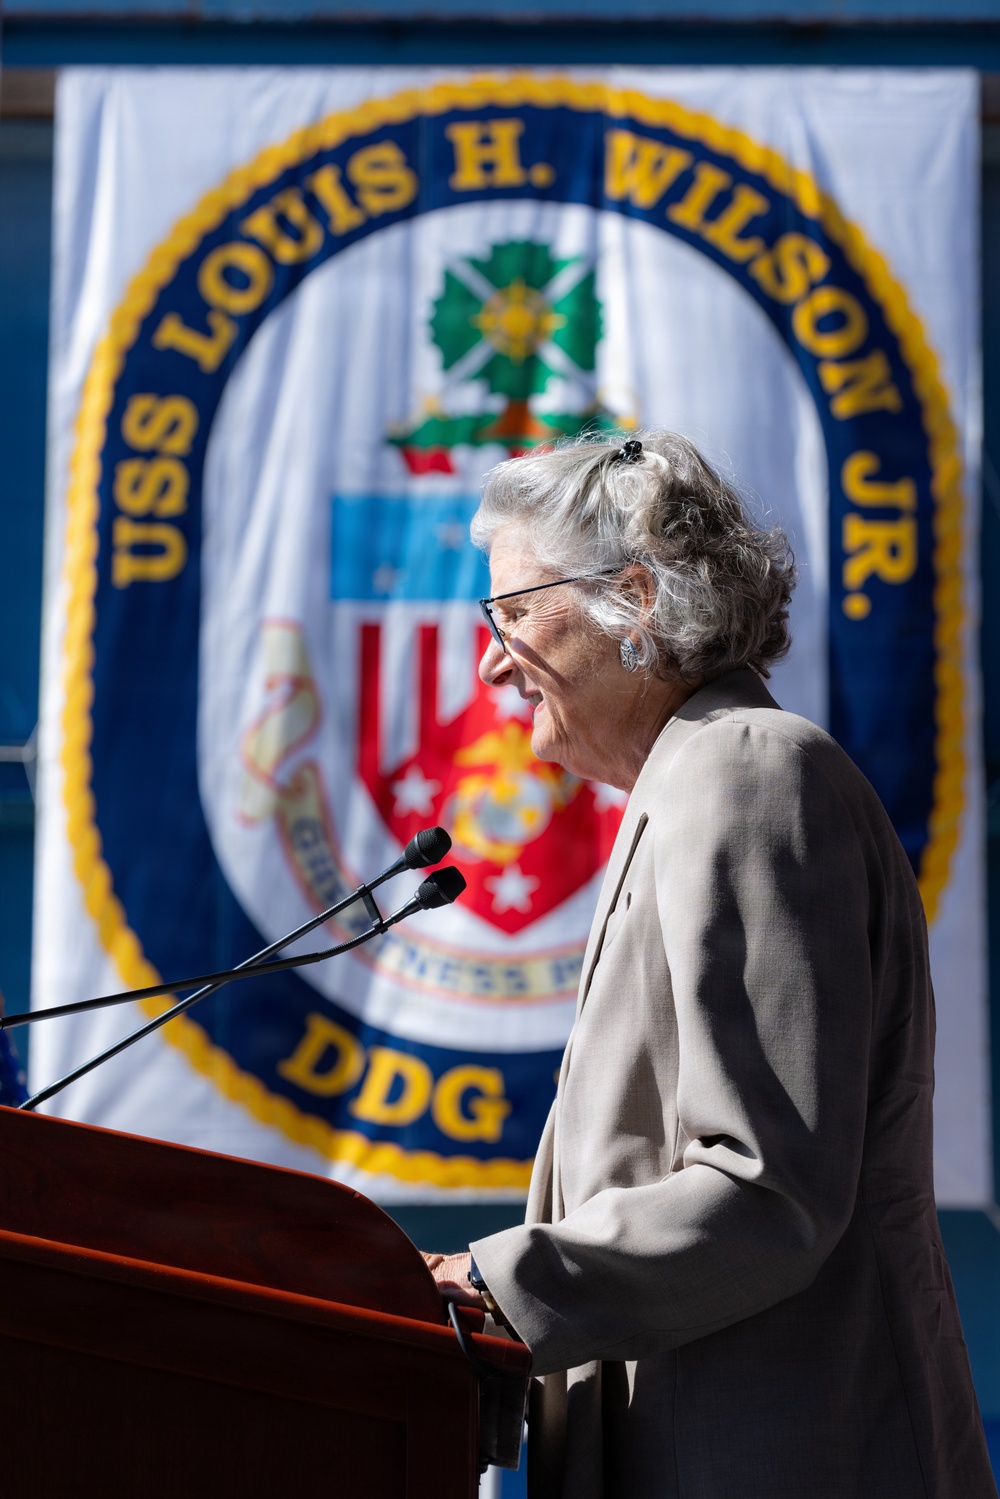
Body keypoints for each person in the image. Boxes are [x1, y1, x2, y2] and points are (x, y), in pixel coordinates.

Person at [423, 431, 996, 1499]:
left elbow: (762, 1187)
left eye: (511, 614)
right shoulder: (696, 780)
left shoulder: (745, 773)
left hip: (784, 1451)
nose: (492, 659)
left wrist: (492, 1286)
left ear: (631, 596)